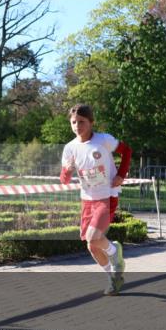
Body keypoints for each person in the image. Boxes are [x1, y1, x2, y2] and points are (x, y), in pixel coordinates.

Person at [60, 104, 132, 296]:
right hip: (87, 200)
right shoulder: (70, 148)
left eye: (82, 122)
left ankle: (114, 252)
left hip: (107, 196)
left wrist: (121, 175)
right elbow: (64, 179)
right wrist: (66, 171)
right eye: (74, 122)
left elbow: (127, 151)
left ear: (91, 122)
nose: (77, 126)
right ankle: (113, 277)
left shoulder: (103, 140)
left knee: (94, 237)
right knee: (91, 245)